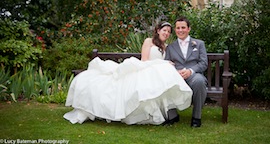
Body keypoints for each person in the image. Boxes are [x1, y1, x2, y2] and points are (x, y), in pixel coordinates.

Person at [64, 21, 193, 125]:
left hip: (156, 72)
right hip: (145, 67)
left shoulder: (166, 47)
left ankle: (170, 114)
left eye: (169, 32)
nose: (166, 33)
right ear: (158, 30)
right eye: (164, 30)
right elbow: (144, 60)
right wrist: (163, 64)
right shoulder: (149, 41)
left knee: (161, 82)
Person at [165, 16, 208, 127]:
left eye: (183, 27)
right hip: (176, 77)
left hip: (193, 76)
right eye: (178, 28)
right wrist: (175, 72)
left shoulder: (199, 44)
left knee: (199, 81)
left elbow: (204, 63)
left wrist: (190, 71)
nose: (180, 30)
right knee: (164, 81)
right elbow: (166, 64)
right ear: (175, 30)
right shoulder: (170, 47)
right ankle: (172, 115)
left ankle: (196, 117)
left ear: (188, 29)